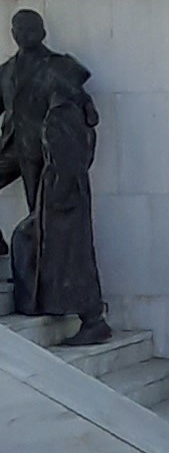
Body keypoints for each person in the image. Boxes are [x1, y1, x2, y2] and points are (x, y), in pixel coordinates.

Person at [10, 80, 111, 345]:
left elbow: (64, 159)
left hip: (62, 195)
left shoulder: (61, 114)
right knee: (69, 255)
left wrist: (56, 197)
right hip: (68, 193)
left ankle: (91, 319)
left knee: (68, 257)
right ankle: (80, 314)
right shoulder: (78, 114)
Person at [0, 9, 97, 254]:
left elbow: (80, 100)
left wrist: (87, 112)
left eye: (29, 28)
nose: (23, 34)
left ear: (42, 32)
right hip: (11, 145)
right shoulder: (5, 71)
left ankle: (41, 262)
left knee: (39, 208)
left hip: (41, 146)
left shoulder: (59, 65)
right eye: (19, 29)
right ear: (12, 33)